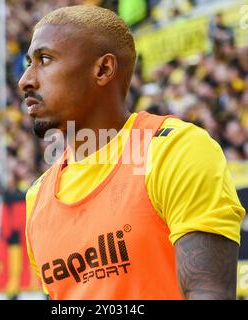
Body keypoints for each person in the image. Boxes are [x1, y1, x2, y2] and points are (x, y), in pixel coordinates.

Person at [18, 5, 245, 300]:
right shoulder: (37, 197)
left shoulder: (172, 149)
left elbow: (209, 293)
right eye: (28, 63)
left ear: (103, 69)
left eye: (44, 59)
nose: (25, 80)